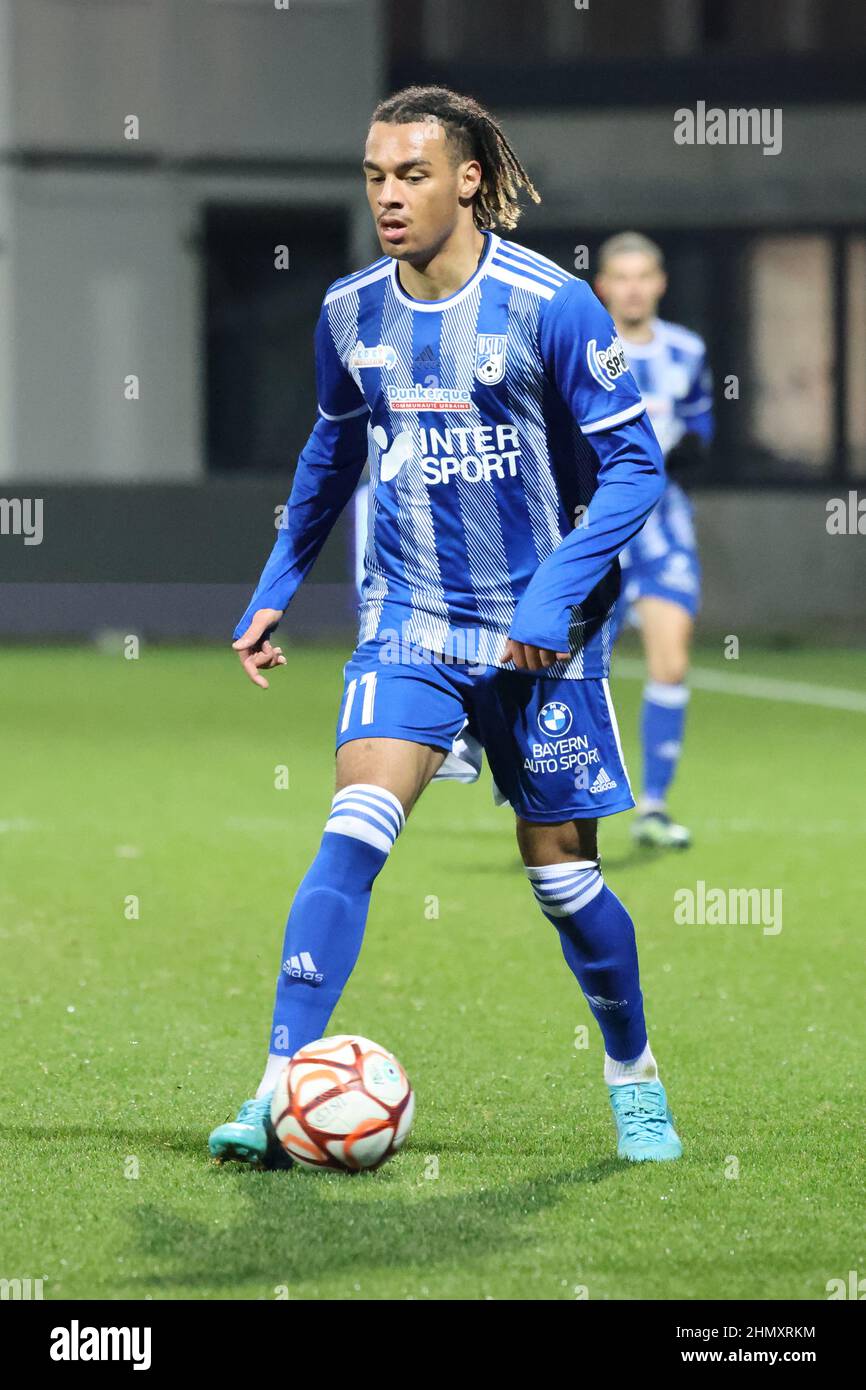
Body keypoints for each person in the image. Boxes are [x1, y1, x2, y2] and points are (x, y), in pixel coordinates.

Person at [208, 87, 682, 1169]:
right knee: (351, 829)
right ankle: (277, 1089)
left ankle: (631, 1074)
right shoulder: (349, 312)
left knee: (562, 881)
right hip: (411, 622)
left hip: (540, 639)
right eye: (374, 175)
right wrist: (278, 579)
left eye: (410, 174)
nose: (387, 195)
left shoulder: (549, 304)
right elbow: (329, 454)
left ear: (467, 179)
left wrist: (552, 594)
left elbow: (634, 465)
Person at [596, 232, 715, 848]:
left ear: (660, 283)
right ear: (604, 286)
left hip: (664, 530)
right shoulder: (587, 349)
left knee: (671, 661)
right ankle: (566, 794)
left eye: (645, 275)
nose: (634, 287)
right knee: (576, 668)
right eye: (623, 276)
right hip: (595, 531)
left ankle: (655, 808)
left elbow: (700, 420)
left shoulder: (686, 350)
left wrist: (695, 443)